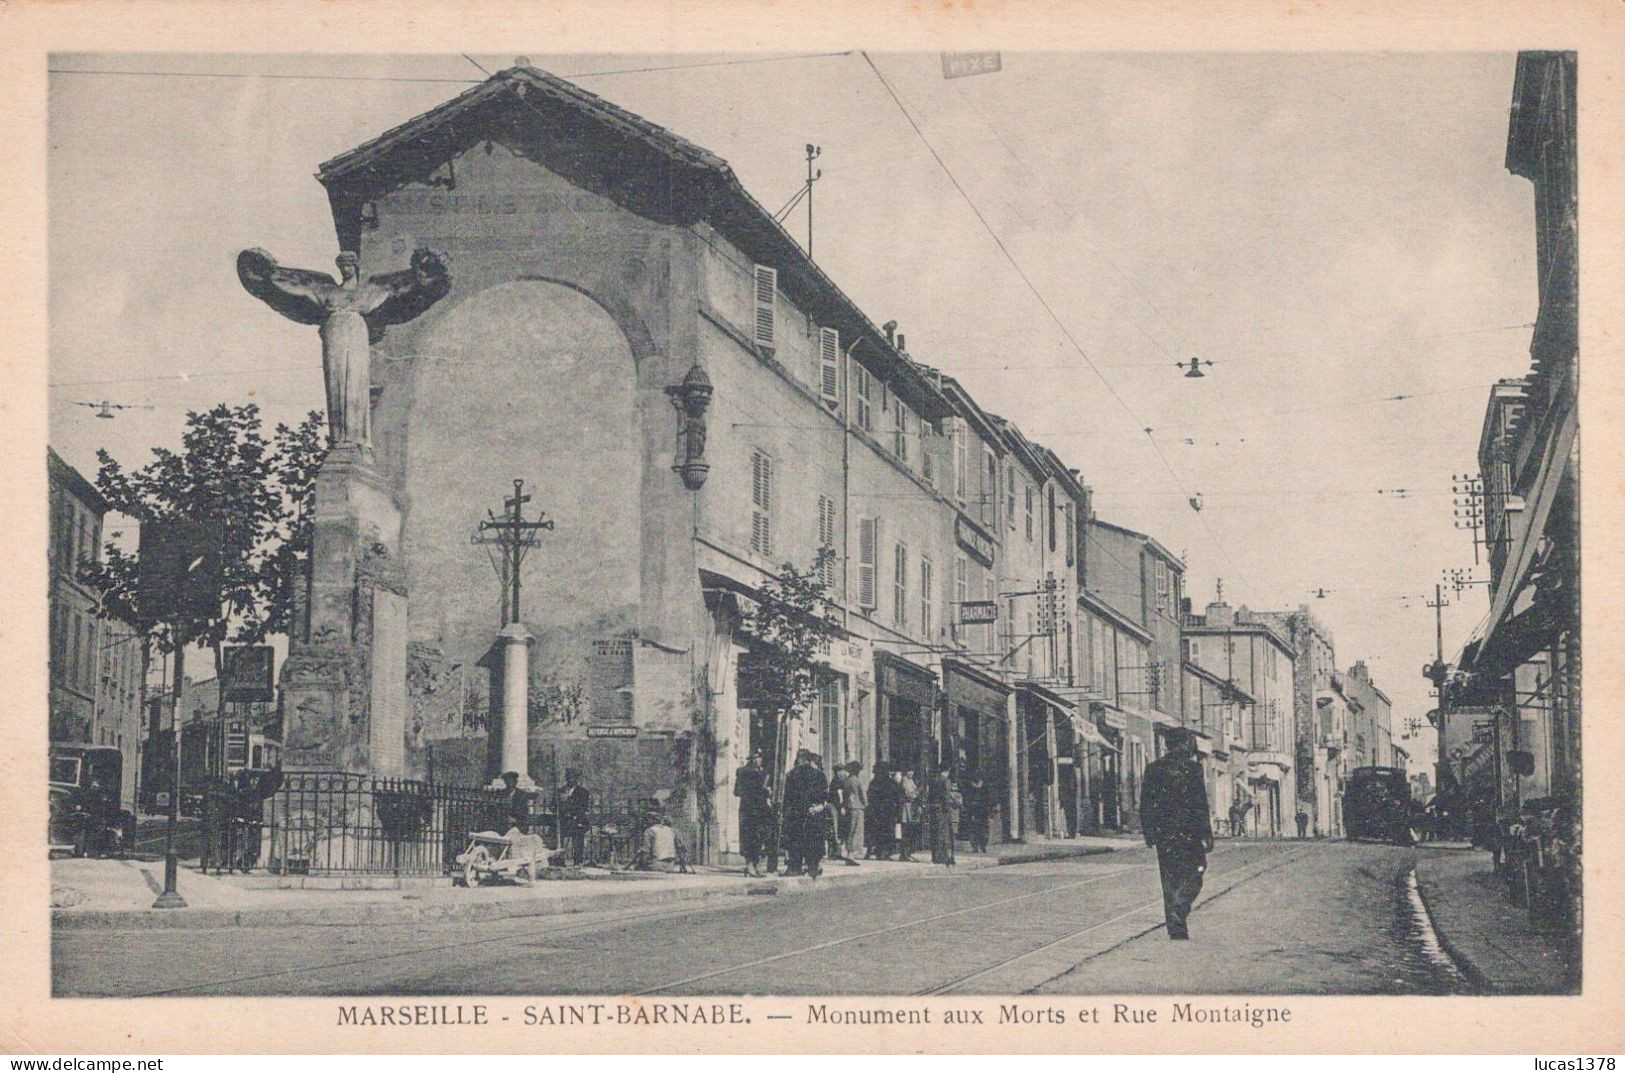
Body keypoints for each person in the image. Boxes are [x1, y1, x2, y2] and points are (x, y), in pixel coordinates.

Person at [1140, 729, 1214, 940]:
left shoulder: (1155, 769)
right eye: (1188, 742)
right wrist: (1206, 834)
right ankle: (1179, 914)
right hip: (1187, 832)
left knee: (1172, 878)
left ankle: (1176, 921)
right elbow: (1200, 804)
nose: (1191, 746)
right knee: (1194, 872)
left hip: (1167, 834)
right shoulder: (1192, 769)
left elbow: (1146, 803)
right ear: (1180, 744)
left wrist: (1149, 832)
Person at [782, 749, 830, 877]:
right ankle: (813, 867)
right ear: (810, 760)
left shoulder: (791, 775)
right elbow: (825, 796)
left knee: (796, 841)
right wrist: (820, 807)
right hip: (813, 812)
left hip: (796, 814)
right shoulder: (819, 775)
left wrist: (786, 812)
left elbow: (787, 798)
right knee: (813, 841)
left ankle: (795, 867)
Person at [733, 751, 773, 877]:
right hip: (753, 809)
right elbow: (744, 791)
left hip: (749, 809)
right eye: (757, 758)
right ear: (752, 759)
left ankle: (751, 866)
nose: (759, 760)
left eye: (760, 758)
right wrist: (766, 791)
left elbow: (737, 792)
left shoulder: (745, 771)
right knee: (753, 837)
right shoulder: (751, 773)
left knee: (750, 837)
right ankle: (751, 867)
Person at [554, 769, 591, 866]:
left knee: (578, 833)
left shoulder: (583, 792)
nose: (570, 780)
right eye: (568, 778)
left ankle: (577, 861)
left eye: (573, 778)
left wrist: (567, 802)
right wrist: (559, 805)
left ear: (576, 779)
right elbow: (552, 806)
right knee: (555, 833)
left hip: (577, 820)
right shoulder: (560, 791)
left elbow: (582, 808)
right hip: (563, 822)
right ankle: (559, 860)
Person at [928, 770, 963, 867]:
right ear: (947, 771)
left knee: (935, 833)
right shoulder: (946, 781)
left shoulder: (933, 780)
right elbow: (946, 796)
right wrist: (948, 808)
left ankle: (935, 856)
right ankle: (943, 857)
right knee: (944, 834)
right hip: (943, 811)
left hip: (933, 809)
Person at [865, 762, 899, 859]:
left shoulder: (873, 782)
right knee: (886, 831)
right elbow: (897, 794)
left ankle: (875, 851)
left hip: (876, 810)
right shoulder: (890, 782)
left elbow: (870, 795)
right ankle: (884, 852)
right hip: (887, 810)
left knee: (875, 831)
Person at [836, 761, 866, 863]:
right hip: (857, 808)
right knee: (856, 831)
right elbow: (862, 795)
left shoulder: (846, 781)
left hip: (848, 807)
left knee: (849, 830)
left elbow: (844, 796)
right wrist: (865, 804)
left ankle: (849, 852)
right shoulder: (857, 781)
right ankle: (851, 854)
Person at [961, 772, 991, 854]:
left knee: (975, 829)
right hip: (980, 810)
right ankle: (981, 846)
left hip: (976, 810)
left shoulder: (971, 787)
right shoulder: (984, 786)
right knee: (981, 828)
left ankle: (977, 846)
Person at [896, 767, 921, 862]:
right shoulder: (905, 780)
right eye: (909, 771)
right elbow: (909, 794)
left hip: (911, 807)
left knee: (910, 830)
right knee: (907, 830)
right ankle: (905, 854)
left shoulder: (911, 780)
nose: (911, 773)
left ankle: (908, 853)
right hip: (907, 807)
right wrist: (917, 794)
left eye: (912, 771)